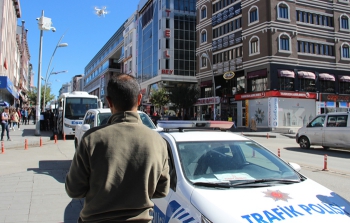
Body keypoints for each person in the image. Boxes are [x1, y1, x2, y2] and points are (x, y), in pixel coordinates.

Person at [65, 74, 170, 223]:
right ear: (139, 99)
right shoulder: (158, 142)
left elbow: (74, 190)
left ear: (109, 102)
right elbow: (162, 189)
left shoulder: (91, 139)